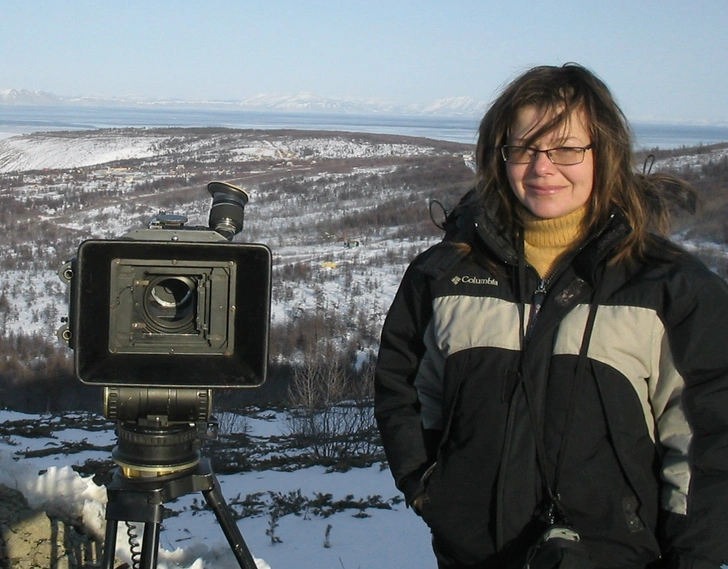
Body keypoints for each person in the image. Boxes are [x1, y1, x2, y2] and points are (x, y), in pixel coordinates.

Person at [374, 63, 728, 569]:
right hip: (476, 552)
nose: (543, 168)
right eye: (524, 149)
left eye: (566, 149)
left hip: (623, 555)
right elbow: (404, 388)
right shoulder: (443, 274)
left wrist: (693, 557)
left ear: (603, 154)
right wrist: (431, 489)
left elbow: (707, 436)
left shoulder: (669, 288)